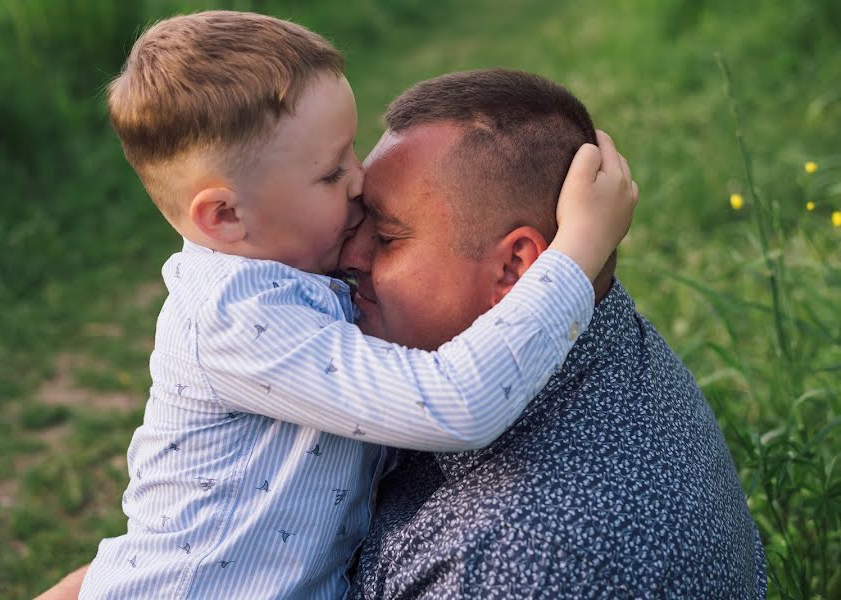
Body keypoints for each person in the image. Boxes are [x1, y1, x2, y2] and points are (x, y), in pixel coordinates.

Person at [71, 11, 637, 600]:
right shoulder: (238, 313)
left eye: (351, 152)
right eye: (330, 170)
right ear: (226, 216)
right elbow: (452, 404)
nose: (359, 178)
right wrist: (576, 252)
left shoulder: (288, 271)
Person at [340, 69, 767, 598]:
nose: (347, 256)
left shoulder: (513, 557)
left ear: (519, 271)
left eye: (385, 237)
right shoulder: (599, 340)